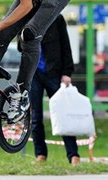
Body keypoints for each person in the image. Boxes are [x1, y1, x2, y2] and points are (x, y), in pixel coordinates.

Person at [30, 14, 81, 165]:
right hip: (34, 74)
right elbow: (21, 47)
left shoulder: (56, 19)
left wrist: (67, 72)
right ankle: (40, 154)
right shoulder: (27, 17)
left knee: (63, 114)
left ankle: (73, 155)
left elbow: (66, 46)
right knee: (35, 117)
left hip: (54, 73)